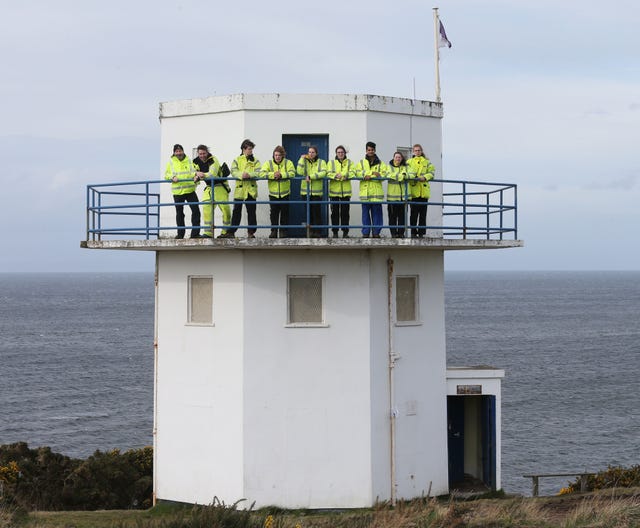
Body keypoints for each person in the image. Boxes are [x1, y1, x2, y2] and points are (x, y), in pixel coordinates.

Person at [193, 144, 231, 239]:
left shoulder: (213, 160)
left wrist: (201, 175)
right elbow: (192, 171)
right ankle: (208, 233)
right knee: (206, 208)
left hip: (220, 186)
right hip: (209, 187)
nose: (202, 155)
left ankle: (226, 232)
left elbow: (212, 174)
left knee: (225, 209)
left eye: (204, 153)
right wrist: (196, 174)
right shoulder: (196, 162)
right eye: (200, 154)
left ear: (207, 152)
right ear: (198, 153)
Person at [164, 144, 201, 239]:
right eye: (176, 151)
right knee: (180, 213)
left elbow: (193, 172)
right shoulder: (171, 162)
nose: (179, 153)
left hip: (190, 190)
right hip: (178, 192)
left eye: (180, 151)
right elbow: (166, 175)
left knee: (196, 211)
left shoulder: (189, 160)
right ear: (174, 153)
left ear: (183, 151)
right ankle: (180, 234)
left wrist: (195, 176)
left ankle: (195, 234)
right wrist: (172, 177)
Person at [227, 139, 261, 238]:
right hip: (240, 190)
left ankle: (251, 233)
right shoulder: (237, 160)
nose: (251, 151)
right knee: (236, 212)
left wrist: (249, 175)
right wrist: (242, 175)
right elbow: (233, 171)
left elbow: (259, 172)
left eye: (251, 149)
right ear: (243, 149)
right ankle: (231, 232)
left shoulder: (256, 160)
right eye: (249, 149)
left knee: (251, 212)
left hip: (250, 190)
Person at [355, 142, 387, 238]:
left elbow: (384, 175)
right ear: (366, 150)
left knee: (377, 215)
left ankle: (376, 233)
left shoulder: (381, 163)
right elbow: (357, 174)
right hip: (365, 194)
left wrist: (370, 176)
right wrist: (372, 173)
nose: (370, 151)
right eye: (369, 150)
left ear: (375, 150)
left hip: (376, 194)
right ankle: (366, 233)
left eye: (372, 150)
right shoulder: (361, 162)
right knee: (365, 215)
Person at [262, 145, 295, 238]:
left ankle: (283, 232)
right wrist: (273, 175)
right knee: (274, 214)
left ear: (282, 155)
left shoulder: (288, 163)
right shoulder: (268, 163)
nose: (277, 157)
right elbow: (261, 173)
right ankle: (274, 231)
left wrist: (281, 175)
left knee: (285, 213)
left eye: (279, 155)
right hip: (273, 194)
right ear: (273, 155)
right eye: (275, 155)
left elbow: (292, 173)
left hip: (285, 193)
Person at [296, 146, 326, 237]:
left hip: (316, 192)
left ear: (316, 153)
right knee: (308, 213)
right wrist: (301, 159)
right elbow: (299, 172)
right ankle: (310, 232)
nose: (311, 154)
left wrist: (311, 176)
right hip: (306, 192)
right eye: (309, 152)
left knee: (316, 212)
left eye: (313, 152)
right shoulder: (304, 161)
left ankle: (318, 232)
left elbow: (324, 172)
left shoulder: (321, 162)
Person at [407, 144, 435, 239]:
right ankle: (413, 232)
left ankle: (421, 233)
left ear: (421, 151)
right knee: (413, 214)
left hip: (423, 192)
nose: (417, 152)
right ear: (413, 152)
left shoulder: (427, 162)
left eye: (419, 150)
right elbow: (407, 172)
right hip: (414, 191)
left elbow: (432, 173)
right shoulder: (409, 162)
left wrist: (425, 177)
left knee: (423, 214)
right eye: (415, 150)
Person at [325, 145, 354, 238]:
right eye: (338, 152)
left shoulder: (350, 162)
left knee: (345, 213)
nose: (340, 154)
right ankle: (335, 232)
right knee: (334, 213)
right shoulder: (331, 162)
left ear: (345, 153)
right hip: (334, 192)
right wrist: (335, 176)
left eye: (342, 152)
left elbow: (353, 172)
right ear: (336, 153)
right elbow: (328, 173)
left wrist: (346, 175)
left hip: (345, 193)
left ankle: (345, 232)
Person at [387, 151, 409, 238]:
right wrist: (402, 176)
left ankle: (401, 233)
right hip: (392, 197)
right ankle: (393, 233)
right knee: (392, 217)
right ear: (393, 158)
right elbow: (388, 174)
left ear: (402, 158)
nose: (398, 159)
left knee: (402, 217)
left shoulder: (406, 167)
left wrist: (404, 174)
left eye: (399, 157)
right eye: (396, 157)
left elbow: (411, 174)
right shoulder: (389, 167)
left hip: (403, 197)